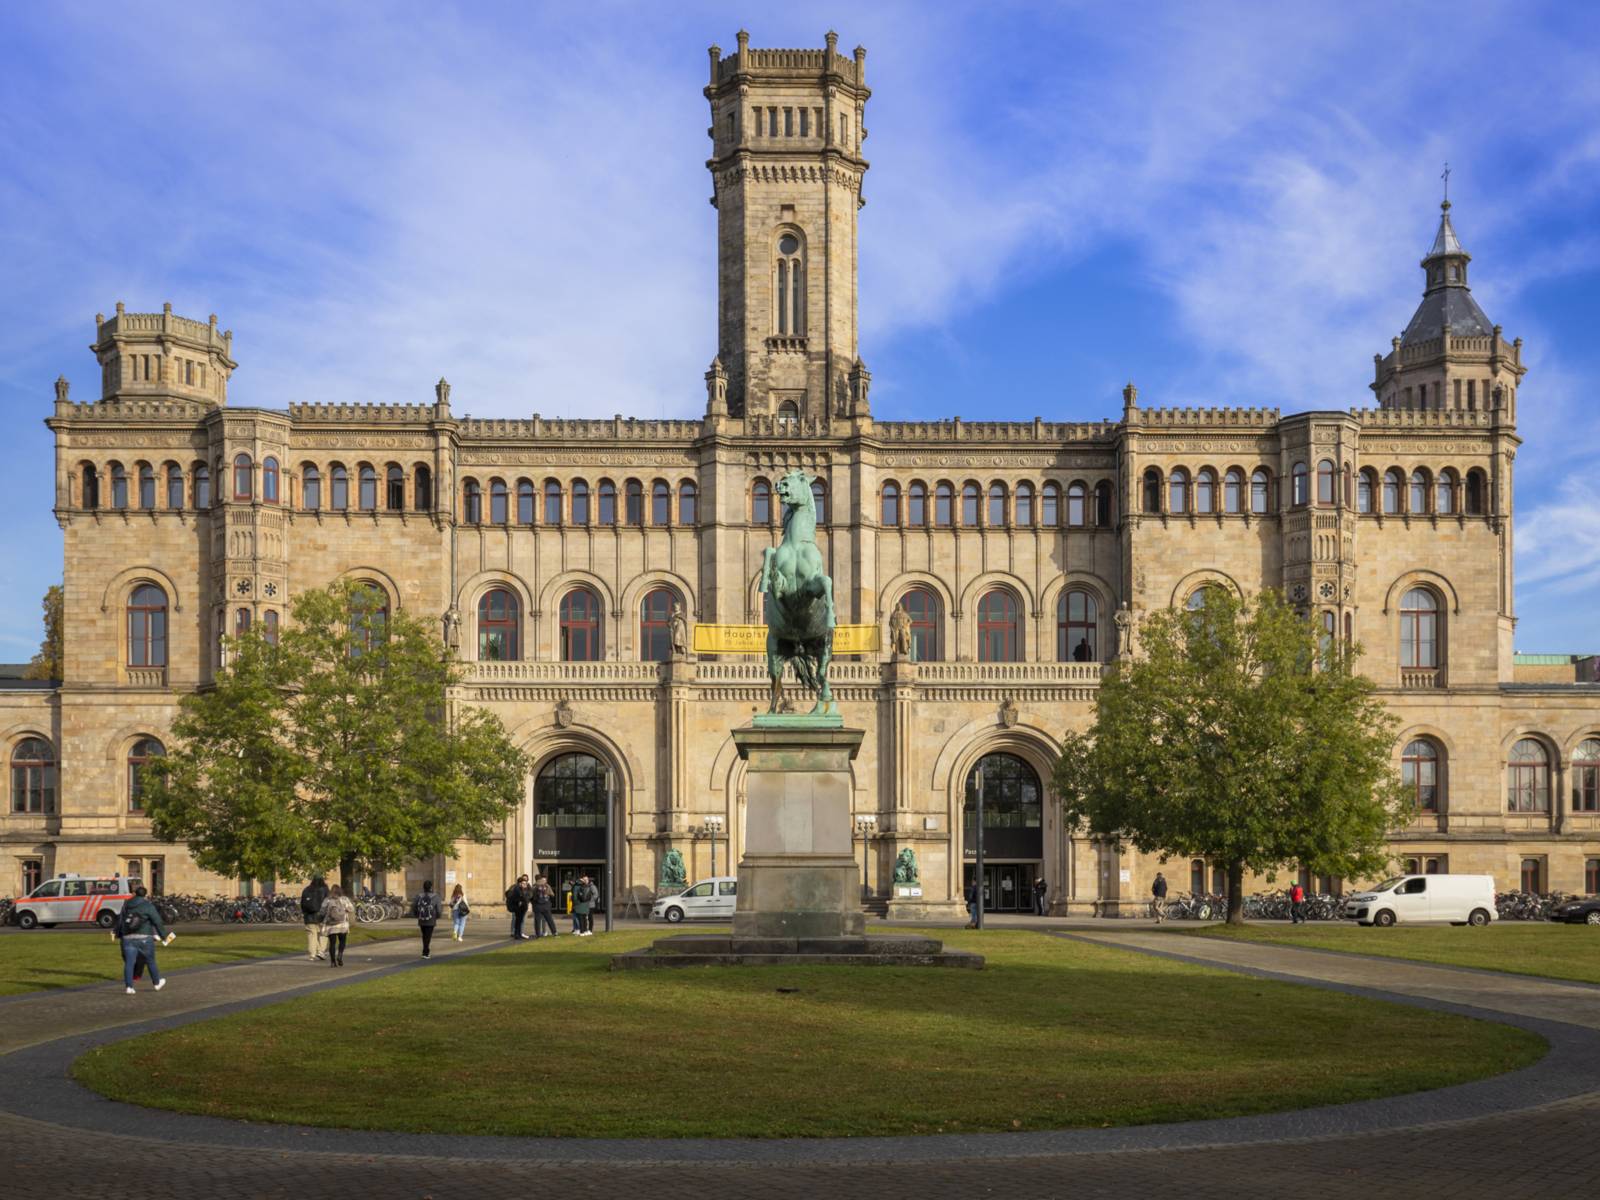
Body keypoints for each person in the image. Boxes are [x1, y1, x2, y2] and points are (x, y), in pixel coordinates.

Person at [114, 884, 172, 994]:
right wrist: (164, 936)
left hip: (127, 937)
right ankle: (156, 983)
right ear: (145, 895)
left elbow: (121, 919)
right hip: (145, 937)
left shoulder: (126, 904)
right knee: (150, 961)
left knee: (129, 963)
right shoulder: (148, 905)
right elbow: (157, 921)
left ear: (135, 894)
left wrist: (118, 933)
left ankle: (129, 987)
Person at [317, 884, 355, 966]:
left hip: (331, 925)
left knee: (332, 943)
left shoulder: (327, 899)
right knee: (342, 941)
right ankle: (340, 955)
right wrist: (345, 910)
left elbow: (322, 911)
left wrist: (320, 920)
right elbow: (351, 909)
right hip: (342, 924)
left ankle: (333, 962)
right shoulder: (344, 899)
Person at [300, 874, 330, 962]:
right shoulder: (325, 889)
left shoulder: (306, 889)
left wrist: (304, 913)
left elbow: (302, 904)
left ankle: (312, 954)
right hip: (322, 916)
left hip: (309, 916)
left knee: (311, 935)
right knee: (323, 934)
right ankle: (321, 951)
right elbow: (328, 903)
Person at [413, 880, 442, 958]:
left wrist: (417, 915)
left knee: (424, 935)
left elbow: (414, 907)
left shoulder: (418, 896)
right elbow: (439, 909)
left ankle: (425, 951)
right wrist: (438, 916)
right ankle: (425, 952)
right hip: (431, 918)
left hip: (421, 918)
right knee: (428, 936)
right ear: (431, 887)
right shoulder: (436, 897)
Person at [505, 874, 532, 940]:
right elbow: (520, 897)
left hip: (520, 907)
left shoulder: (520, 888)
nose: (525, 884)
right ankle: (517, 934)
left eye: (525, 883)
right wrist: (521, 900)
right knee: (518, 921)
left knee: (519, 921)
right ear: (520, 883)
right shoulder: (517, 889)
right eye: (523, 883)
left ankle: (518, 934)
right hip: (518, 908)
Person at [531, 875, 558, 939]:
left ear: (536, 879)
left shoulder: (534, 887)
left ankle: (538, 935)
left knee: (537, 921)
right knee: (550, 920)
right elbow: (552, 895)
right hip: (546, 905)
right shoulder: (546, 886)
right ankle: (554, 933)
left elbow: (530, 896)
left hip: (537, 906)